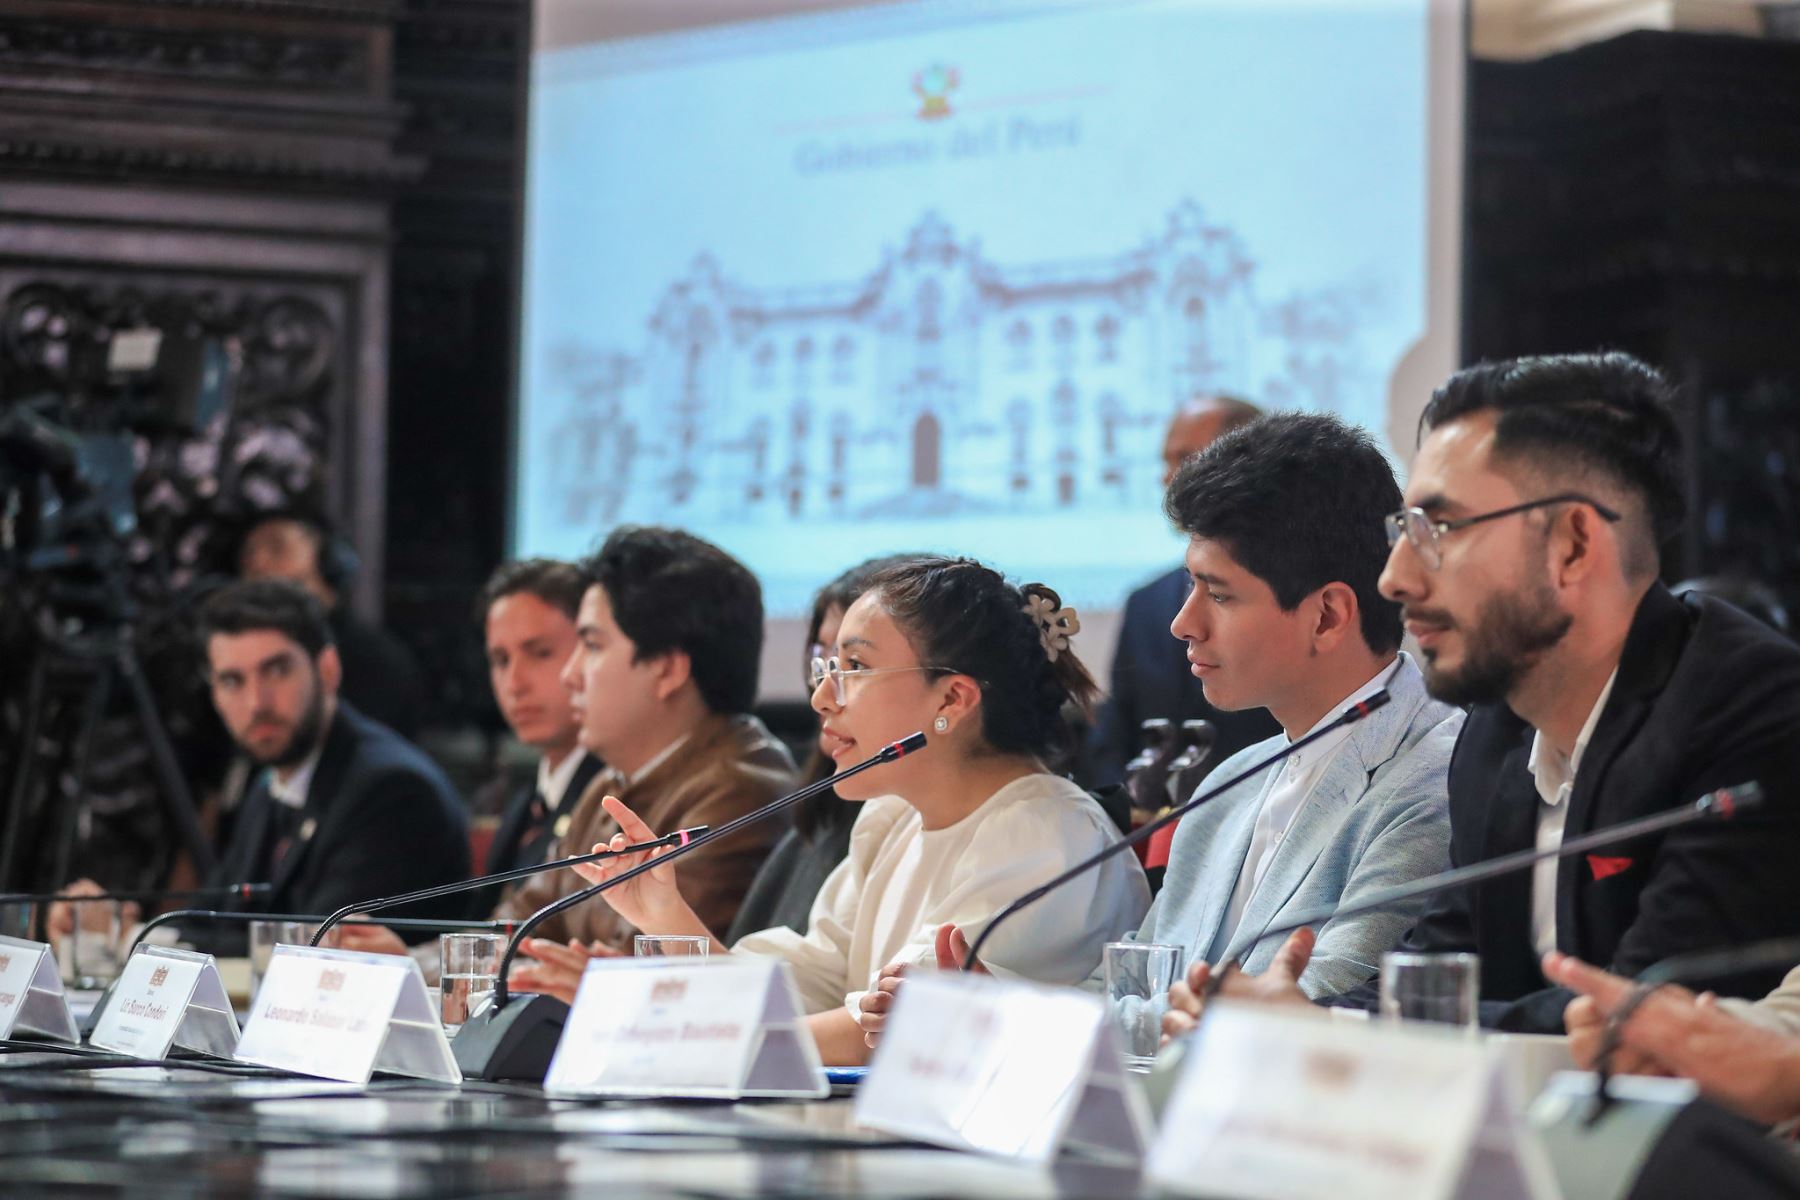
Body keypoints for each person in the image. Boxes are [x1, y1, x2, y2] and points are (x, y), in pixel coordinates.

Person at [1167, 353, 1800, 1035]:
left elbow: (1636, 1029)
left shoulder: (1752, 713)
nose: (1395, 578)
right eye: (1401, 532)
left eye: (1439, 529)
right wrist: (1291, 1021)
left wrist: (1328, 1035)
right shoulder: (1495, 735)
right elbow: (1436, 970)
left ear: (1573, 545)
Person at [902, 414, 1460, 1043]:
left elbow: (1296, 1015)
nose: (1183, 624)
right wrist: (994, 1006)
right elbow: (1129, 989)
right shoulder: (1232, 780)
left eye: (1218, 595)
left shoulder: (1436, 776)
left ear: (1327, 616)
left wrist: (1030, 1028)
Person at [537, 556, 1151, 1066]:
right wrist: (666, 914)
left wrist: (708, 1042)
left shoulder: (1044, 833)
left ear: (953, 697)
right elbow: (807, 987)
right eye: (827, 667)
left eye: (854, 667)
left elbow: (888, 1028)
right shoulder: (892, 820)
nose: (821, 697)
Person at [53, 580, 469, 950]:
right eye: (233, 681)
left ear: (327, 669)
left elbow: (308, 947)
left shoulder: (391, 789)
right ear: (213, 692)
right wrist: (120, 924)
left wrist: (133, 939)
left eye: (277, 671)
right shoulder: (271, 778)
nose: (257, 703)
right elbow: (214, 915)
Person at [497, 526, 798, 976]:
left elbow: (647, 972)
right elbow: (519, 927)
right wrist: (403, 960)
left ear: (667, 668)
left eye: (593, 646)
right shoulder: (612, 779)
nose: (570, 675)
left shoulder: (743, 789)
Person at [336, 559, 601, 958]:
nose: (514, 683)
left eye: (540, 653)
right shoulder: (527, 803)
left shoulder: (613, 792)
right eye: (500, 660)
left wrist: (410, 965)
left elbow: (541, 945)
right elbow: (484, 934)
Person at [725, 554, 922, 945]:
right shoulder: (831, 808)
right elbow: (800, 977)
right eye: (822, 659)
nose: (823, 693)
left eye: (854, 665)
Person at [1083, 394, 1278, 788]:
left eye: (1185, 459)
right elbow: (1113, 738)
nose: (1167, 477)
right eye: (1166, 461)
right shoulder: (1145, 603)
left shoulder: (1284, 594)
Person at [237, 510, 427, 737]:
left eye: (277, 547)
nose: (259, 563)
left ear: (326, 558)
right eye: (249, 554)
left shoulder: (376, 659)